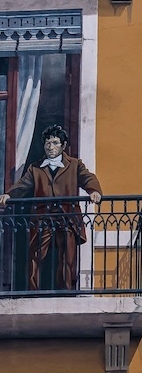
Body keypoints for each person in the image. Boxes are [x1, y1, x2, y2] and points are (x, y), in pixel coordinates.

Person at [0, 125, 102, 292]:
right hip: (42, 217)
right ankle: (32, 291)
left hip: (67, 217)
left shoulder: (75, 164)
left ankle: (66, 291)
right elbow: (23, 185)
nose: (50, 147)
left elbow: (87, 177)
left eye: (55, 143)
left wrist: (94, 191)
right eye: (48, 143)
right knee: (35, 255)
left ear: (63, 145)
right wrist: (9, 195)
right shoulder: (36, 167)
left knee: (67, 257)